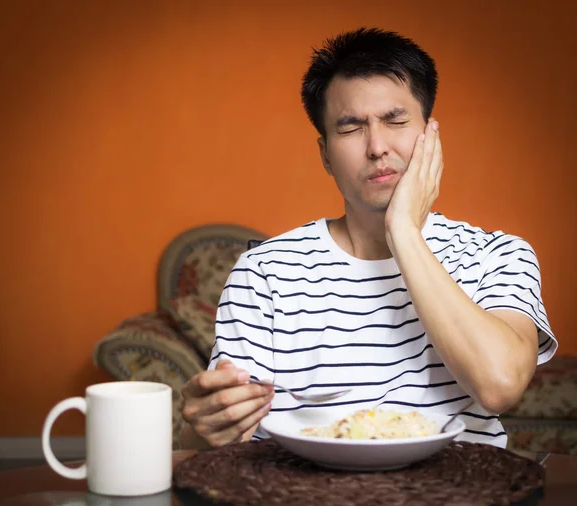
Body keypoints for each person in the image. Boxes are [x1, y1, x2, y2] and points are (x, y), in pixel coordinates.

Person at [179, 27, 557, 451]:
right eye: (351, 128)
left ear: (430, 135)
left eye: (395, 121)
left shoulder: (498, 255)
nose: (377, 146)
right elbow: (220, 437)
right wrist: (199, 426)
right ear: (325, 154)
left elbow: (499, 385)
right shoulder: (263, 274)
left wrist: (403, 232)